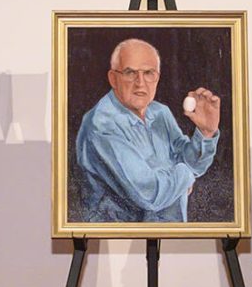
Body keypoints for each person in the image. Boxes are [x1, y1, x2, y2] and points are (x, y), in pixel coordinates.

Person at [72, 37, 221, 222]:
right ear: (113, 78)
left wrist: (205, 133)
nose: (140, 83)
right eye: (130, 72)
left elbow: (191, 162)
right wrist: (186, 176)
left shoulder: (159, 112)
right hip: (120, 240)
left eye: (149, 73)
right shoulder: (101, 125)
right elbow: (150, 193)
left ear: (157, 77)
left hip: (169, 235)